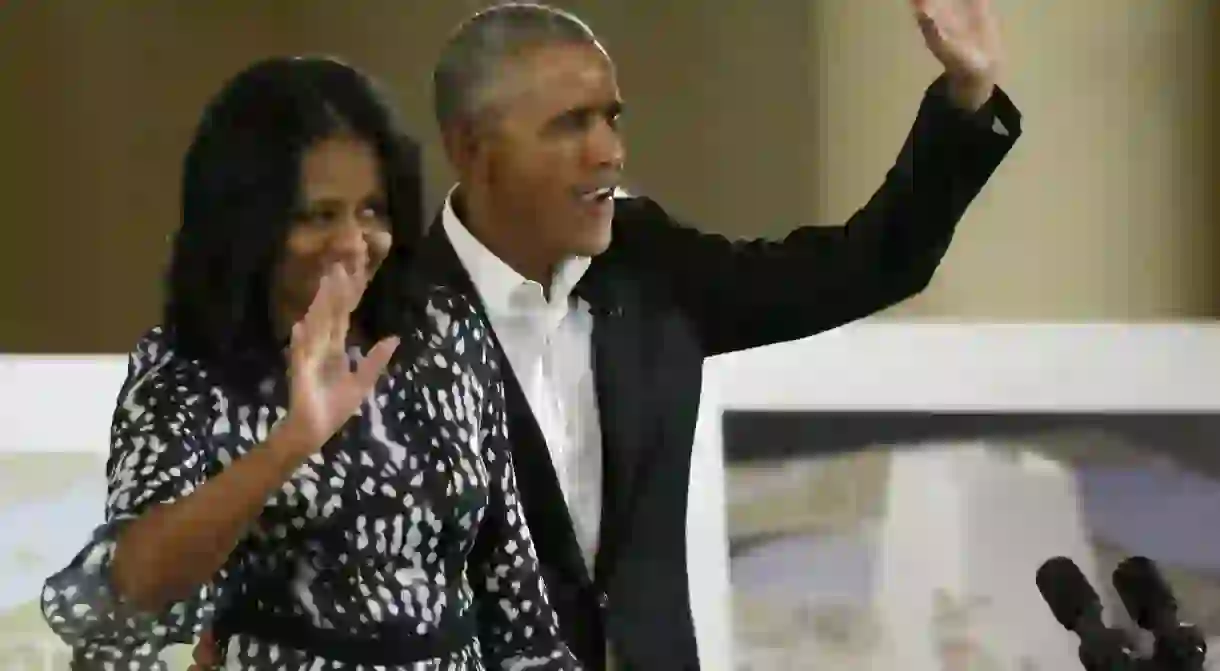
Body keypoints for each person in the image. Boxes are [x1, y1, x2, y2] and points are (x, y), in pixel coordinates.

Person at [196, 0, 1023, 668]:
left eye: (612, 119)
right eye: (569, 125)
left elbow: (864, 267)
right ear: (473, 150)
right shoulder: (380, 314)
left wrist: (966, 99)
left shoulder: (650, 264)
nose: (610, 152)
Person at [39, 56, 580, 671]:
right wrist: (293, 441)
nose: (353, 244)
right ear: (247, 226)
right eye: (317, 216)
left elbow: (513, 592)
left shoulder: (446, 334)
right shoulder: (187, 370)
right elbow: (133, 592)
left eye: (372, 211)